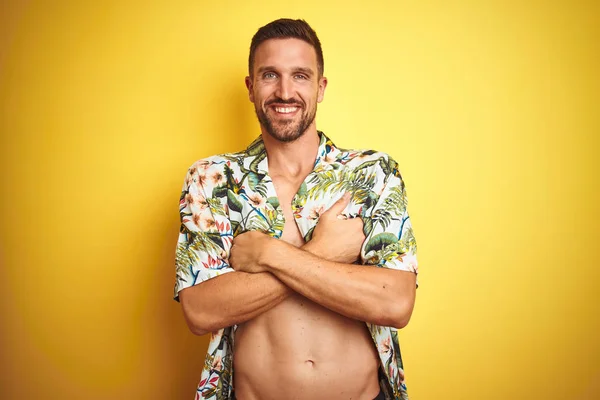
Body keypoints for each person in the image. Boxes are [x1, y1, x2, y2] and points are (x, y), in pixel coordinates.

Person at [174, 18, 418, 400]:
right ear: (251, 87)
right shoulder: (212, 179)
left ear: (320, 88)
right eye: (270, 75)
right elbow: (201, 311)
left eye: (300, 76)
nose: (285, 91)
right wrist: (323, 253)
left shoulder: (372, 174)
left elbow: (395, 302)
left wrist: (271, 254)